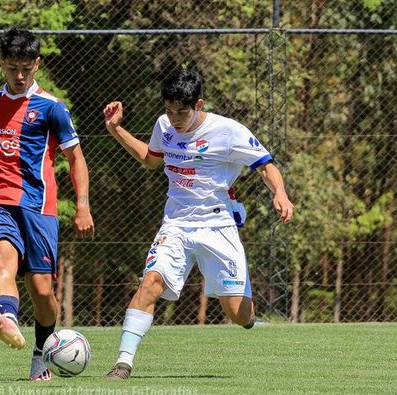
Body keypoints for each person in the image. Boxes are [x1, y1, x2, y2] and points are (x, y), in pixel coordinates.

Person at [103, 69, 293, 379]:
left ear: (199, 104)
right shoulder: (164, 126)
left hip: (217, 227)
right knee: (150, 283)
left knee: (237, 315)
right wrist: (116, 130)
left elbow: (265, 165)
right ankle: (123, 364)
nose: (175, 118)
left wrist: (281, 194)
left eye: (182, 111)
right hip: (175, 225)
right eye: (169, 110)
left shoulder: (228, 131)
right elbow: (152, 160)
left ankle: (249, 316)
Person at [0, 28, 94, 382]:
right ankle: (7, 318)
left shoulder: (52, 108)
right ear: (1, 64)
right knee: (1, 262)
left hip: (39, 208)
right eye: (12, 68)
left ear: (37, 64)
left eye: (26, 68)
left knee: (41, 290)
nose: (19, 75)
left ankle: (40, 353)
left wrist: (82, 205)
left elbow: (76, 158)